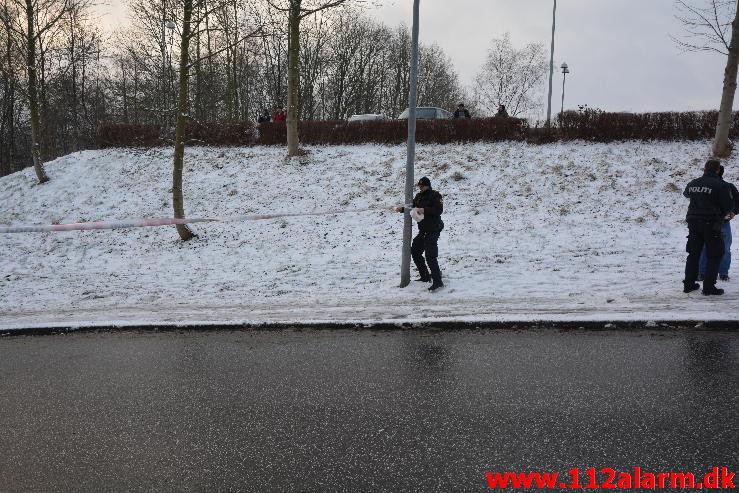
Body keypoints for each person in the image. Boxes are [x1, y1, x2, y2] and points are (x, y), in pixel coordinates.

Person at [683, 159, 735, 295]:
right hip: (711, 224)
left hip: (693, 222)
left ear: (705, 169)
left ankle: (688, 285)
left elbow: (686, 193)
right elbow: (728, 206)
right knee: (715, 254)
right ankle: (708, 287)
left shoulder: (694, 183)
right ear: (718, 170)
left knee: (693, 254)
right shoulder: (721, 185)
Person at [395, 177, 445, 291]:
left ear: (427, 185)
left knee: (430, 256)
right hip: (423, 230)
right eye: (419, 186)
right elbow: (411, 206)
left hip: (433, 229)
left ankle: (438, 281)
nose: (420, 188)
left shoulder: (435, 195)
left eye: (422, 186)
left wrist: (424, 210)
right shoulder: (419, 196)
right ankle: (425, 276)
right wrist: (401, 209)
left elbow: (439, 210)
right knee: (416, 252)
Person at [697, 165, 739, 281]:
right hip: (709, 222)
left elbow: (738, 202)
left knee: (721, 248)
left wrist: (733, 212)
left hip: (721, 223)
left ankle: (722, 272)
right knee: (712, 247)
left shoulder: (728, 186)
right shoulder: (705, 186)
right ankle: (703, 272)